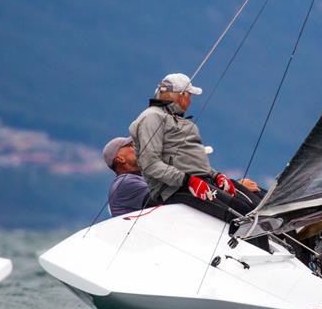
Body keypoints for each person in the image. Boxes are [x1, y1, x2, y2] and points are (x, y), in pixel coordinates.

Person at [128, 73, 261, 224]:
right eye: (189, 96)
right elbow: (151, 164)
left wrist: (216, 175)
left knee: (251, 207)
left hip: (197, 182)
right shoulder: (151, 117)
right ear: (180, 95)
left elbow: (188, 161)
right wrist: (188, 181)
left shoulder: (173, 118)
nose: (190, 101)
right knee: (241, 214)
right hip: (175, 189)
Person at [102, 136, 149, 217]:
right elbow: (169, 198)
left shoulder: (138, 179)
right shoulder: (125, 183)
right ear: (120, 159)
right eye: (131, 145)